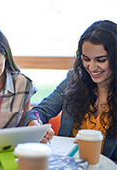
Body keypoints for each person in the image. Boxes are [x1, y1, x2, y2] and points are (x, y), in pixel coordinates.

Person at [23, 20, 117, 162]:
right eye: (86, 59)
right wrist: (36, 126)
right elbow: (36, 112)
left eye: (101, 60)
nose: (91, 67)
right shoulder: (73, 80)